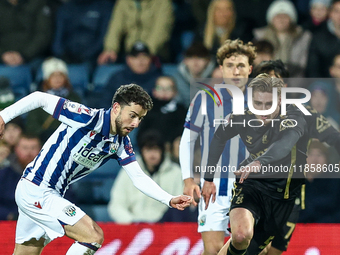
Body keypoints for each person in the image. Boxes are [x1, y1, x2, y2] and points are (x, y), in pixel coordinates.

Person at [0, 84, 192, 255]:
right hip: (37, 189)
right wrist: (3, 116)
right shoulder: (87, 117)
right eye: (132, 115)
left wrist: (168, 198)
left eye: (140, 118)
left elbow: (139, 177)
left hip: (48, 194)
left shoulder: (121, 143)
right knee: (93, 236)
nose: (135, 123)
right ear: (116, 108)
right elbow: (39, 98)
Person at [202, 73, 310, 255]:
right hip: (252, 184)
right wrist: (208, 177)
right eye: (258, 104)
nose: (263, 110)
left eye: (269, 104)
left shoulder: (294, 118)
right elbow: (219, 137)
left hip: (282, 196)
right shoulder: (241, 117)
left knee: (253, 252)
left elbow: (282, 146)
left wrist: (259, 162)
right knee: (240, 236)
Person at [244, 59, 340, 254]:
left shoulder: (303, 113)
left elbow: (333, 136)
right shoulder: (243, 116)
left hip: (290, 198)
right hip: (256, 193)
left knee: (274, 251)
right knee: (252, 248)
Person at [179, 39, 256, 255]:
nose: (236, 71)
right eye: (230, 65)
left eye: (241, 65)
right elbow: (187, 140)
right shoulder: (204, 98)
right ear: (221, 68)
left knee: (249, 241)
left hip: (251, 185)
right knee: (212, 250)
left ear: (250, 69)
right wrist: (187, 179)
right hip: (212, 185)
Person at [108, 130, 184, 223]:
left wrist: (162, 224)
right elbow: (116, 204)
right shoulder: (128, 170)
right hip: (133, 227)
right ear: (141, 151)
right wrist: (131, 222)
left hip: (165, 229)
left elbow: (179, 207)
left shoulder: (176, 173)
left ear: (162, 151)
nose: (152, 155)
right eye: (148, 150)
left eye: (156, 150)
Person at [97, 0, 174, 64]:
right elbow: (115, 27)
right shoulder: (123, 2)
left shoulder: (163, 2)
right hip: (130, 53)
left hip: (155, 54)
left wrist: (145, 53)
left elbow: (161, 31)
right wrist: (110, 48)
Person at [26, 57, 82, 143]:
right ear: (47, 79)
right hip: (44, 141)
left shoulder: (74, 98)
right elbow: (32, 124)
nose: (57, 79)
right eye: (53, 75)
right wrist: (43, 134)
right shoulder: (39, 98)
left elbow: (79, 120)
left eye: (60, 75)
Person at [253, 0, 312, 77]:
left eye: (285, 16)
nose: (281, 20)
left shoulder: (302, 38)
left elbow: (303, 64)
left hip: (294, 78)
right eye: (278, 16)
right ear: (271, 19)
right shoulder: (260, 37)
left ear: (291, 19)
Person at [98, 41, 163, 108]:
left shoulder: (159, 80)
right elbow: (105, 102)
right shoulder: (117, 78)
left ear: (150, 59)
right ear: (128, 60)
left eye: (144, 57)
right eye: (136, 57)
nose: (140, 61)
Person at [137, 76, 187, 149]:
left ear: (175, 92)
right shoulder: (147, 110)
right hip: (153, 147)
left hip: (173, 150)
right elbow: (142, 134)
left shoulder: (181, 111)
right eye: (159, 88)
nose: (164, 91)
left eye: (168, 88)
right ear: (154, 91)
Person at [0, 135, 42, 221]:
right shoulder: (4, 174)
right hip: (9, 223)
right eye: (25, 148)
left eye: (33, 148)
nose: (29, 152)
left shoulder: (51, 173)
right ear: (16, 149)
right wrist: (8, 215)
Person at [0, 0, 52, 67]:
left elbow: (43, 34)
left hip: (34, 58)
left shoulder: (38, 3)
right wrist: (3, 55)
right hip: (3, 59)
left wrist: (24, 55)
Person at [173, 42, 216, 107]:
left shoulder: (216, 78)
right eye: (191, 58)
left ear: (208, 60)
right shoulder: (175, 79)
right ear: (185, 61)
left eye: (200, 57)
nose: (195, 62)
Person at [306, 0, 340, 78]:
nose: (339, 15)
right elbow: (313, 69)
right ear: (330, 13)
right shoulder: (318, 36)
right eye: (336, 11)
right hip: (325, 84)